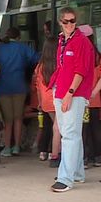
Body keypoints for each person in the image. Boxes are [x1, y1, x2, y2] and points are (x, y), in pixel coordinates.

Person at [47, 7, 94, 192]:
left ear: (76, 21)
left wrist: (70, 93)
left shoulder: (81, 41)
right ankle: (76, 173)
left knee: (70, 134)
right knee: (71, 132)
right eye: (65, 21)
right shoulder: (62, 40)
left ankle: (65, 178)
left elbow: (81, 70)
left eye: (72, 21)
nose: (69, 24)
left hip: (74, 92)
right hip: (61, 90)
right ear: (60, 22)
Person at [0, 27, 40, 157]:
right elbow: (36, 58)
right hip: (20, 86)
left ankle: (7, 147)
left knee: (8, 120)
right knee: (18, 118)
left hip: (3, 86)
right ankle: (17, 147)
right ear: (18, 37)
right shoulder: (22, 47)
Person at [78, 25, 101, 167]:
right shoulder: (99, 57)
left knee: (83, 128)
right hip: (93, 100)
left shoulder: (78, 55)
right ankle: (97, 156)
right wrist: (94, 92)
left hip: (80, 99)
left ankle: (84, 157)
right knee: (94, 127)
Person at [34, 36, 61, 167]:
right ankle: (56, 155)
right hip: (59, 99)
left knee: (55, 126)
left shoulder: (40, 67)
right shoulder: (60, 65)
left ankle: (54, 154)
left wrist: (40, 102)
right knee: (59, 128)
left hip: (46, 102)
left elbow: (38, 86)